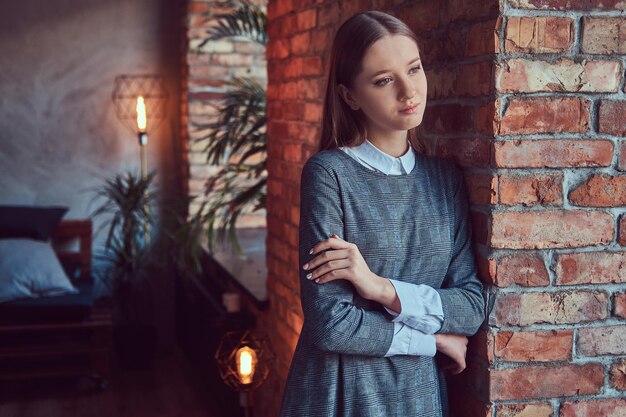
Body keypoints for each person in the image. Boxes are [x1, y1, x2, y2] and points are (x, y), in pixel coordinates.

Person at [278, 10, 485, 417]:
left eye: (414, 69)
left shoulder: (445, 179)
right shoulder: (329, 174)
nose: (409, 91)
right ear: (350, 95)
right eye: (384, 80)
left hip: (419, 395)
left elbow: (472, 306)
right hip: (341, 392)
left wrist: (378, 288)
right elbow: (329, 323)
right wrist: (434, 341)